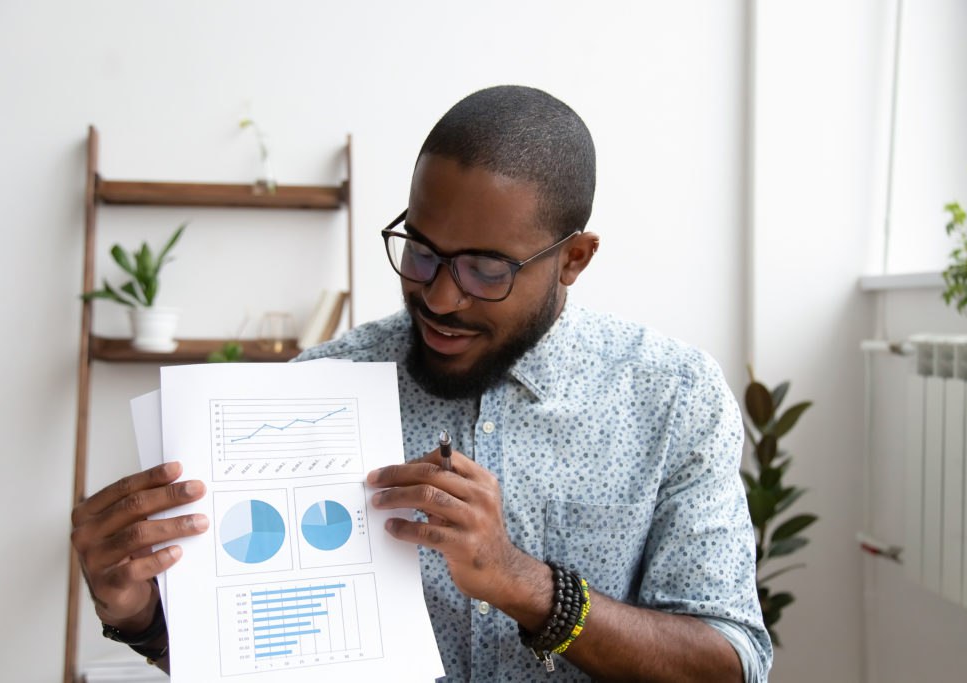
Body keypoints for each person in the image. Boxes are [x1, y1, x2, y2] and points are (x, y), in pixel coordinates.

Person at [71, 85, 772, 682]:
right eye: (422, 251)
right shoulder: (319, 387)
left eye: (485, 269)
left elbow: (729, 659)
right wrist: (135, 612)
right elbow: (253, 645)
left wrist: (522, 582)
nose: (439, 297)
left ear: (574, 260)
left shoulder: (673, 395)